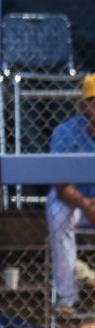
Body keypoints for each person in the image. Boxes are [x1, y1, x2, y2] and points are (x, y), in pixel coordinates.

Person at [47, 73, 95, 312]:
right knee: (57, 211)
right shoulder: (65, 132)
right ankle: (67, 296)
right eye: (93, 100)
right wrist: (87, 205)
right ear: (82, 105)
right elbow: (62, 186)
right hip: (78, 206)